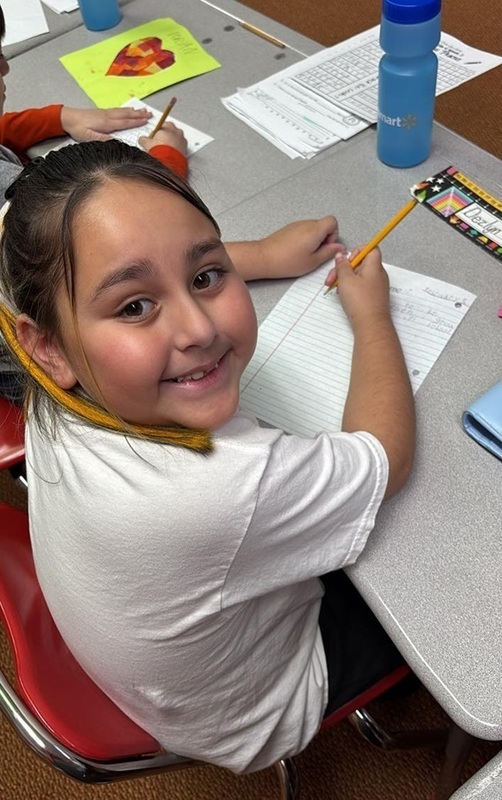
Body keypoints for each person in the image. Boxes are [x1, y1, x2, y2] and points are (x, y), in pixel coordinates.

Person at [0, 139, 415, 774]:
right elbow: (387, 455)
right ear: (49, 347)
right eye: (135, 307)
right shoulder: (222, 486)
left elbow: (143, 261)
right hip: (263, 710)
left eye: (205, 276)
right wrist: (373, 316)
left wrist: (260, 256)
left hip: (157, 670)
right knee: (428, 572)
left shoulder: (54, 383)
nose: (198, 329)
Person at [0, 3, 190, 401]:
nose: (6, 69)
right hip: (38, 361)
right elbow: (135, 230)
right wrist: (167, 159)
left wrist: (59, 117)